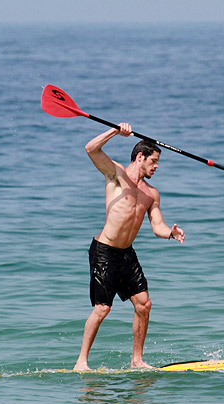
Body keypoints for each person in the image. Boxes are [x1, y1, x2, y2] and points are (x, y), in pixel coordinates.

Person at [73, 123, 185, 371]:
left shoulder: (152, 194)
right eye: (153, 161)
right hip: (104, 250)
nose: (157, 167)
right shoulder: (116, 174)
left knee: (144, 304)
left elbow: (158, 226)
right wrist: (116, 132)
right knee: (102, 309)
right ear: (140, 157)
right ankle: (81, 362)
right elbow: (91, 149)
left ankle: (137, 360)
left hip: (127, 254)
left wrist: (171, 233)